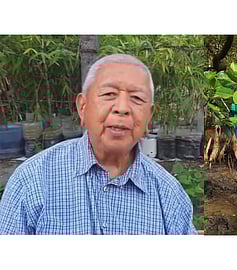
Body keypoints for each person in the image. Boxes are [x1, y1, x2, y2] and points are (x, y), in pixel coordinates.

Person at [0, 54, 197, 234]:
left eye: (136, 98)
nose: (122, 108)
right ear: (82, 107)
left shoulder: (169, 194)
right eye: (109, 94)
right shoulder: (33, 180)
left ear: (149, 117)